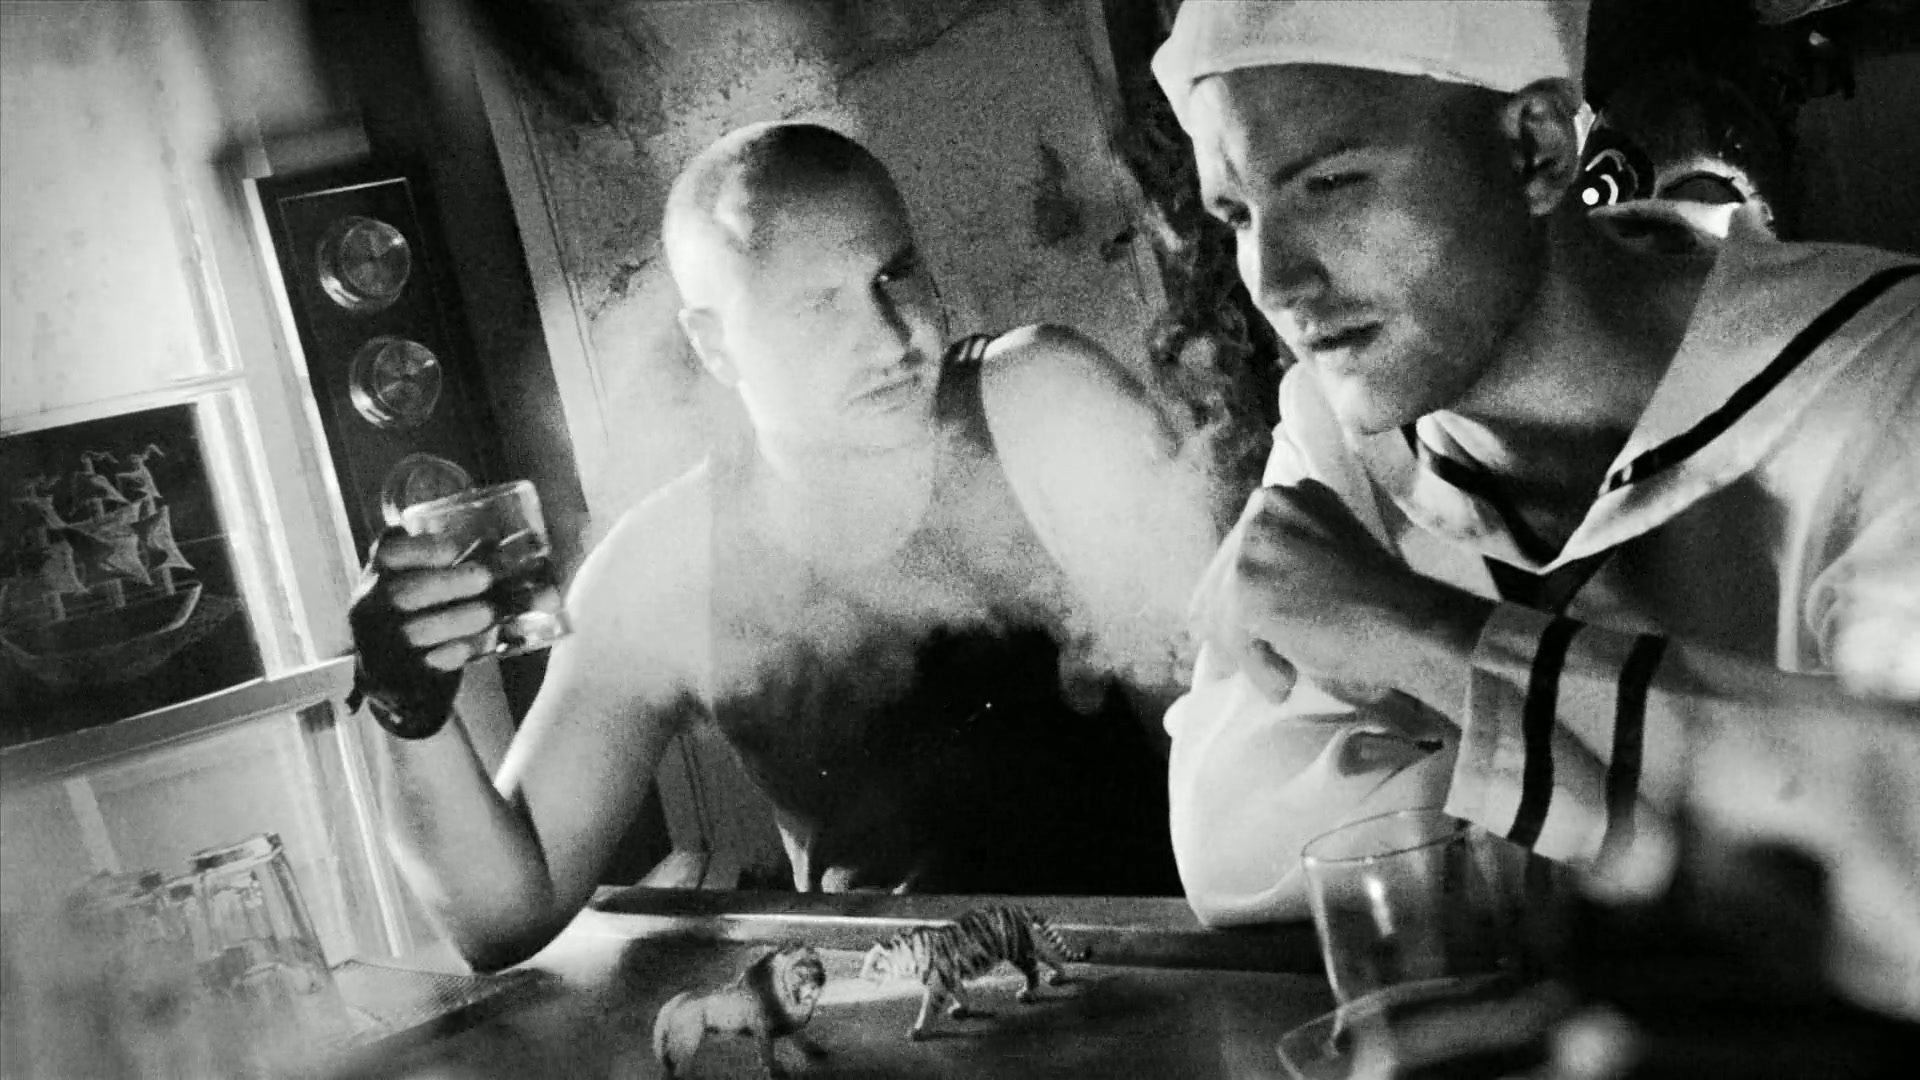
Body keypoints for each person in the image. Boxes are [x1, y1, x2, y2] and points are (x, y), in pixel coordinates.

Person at [1148, 0, 1920, 1018]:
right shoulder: (1341, 429)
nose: (1276, 280)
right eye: (1238, 215)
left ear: (1536, 148)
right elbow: (1239, 851)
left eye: (1330, 182)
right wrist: (1739, 772)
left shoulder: (1881, 375)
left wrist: (1419, 638)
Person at [348, 121, 1220, 971]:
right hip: (885, 1022)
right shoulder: (669, 564)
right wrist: (409, 711)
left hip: (1158, 989)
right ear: (714, 344)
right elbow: (501, 918)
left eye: (895, 273)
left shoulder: (1044, 407)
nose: (892, 337)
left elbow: (1231, 765)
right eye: (816, 306)